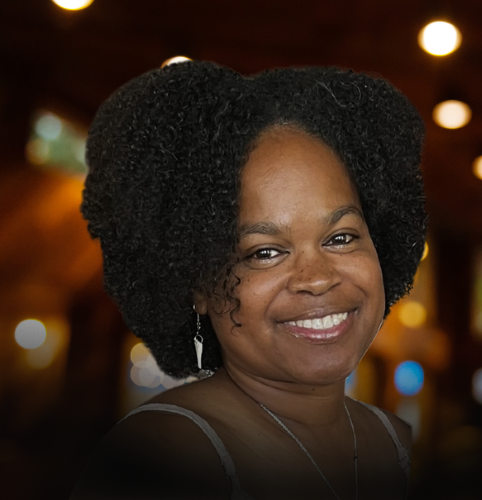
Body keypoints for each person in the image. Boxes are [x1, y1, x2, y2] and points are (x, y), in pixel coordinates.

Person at [71, 60, 426, 500]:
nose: (317, 279)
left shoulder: (394, 440)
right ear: (198, 283)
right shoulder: (161, 457)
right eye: (264, 252)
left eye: (340, 237)